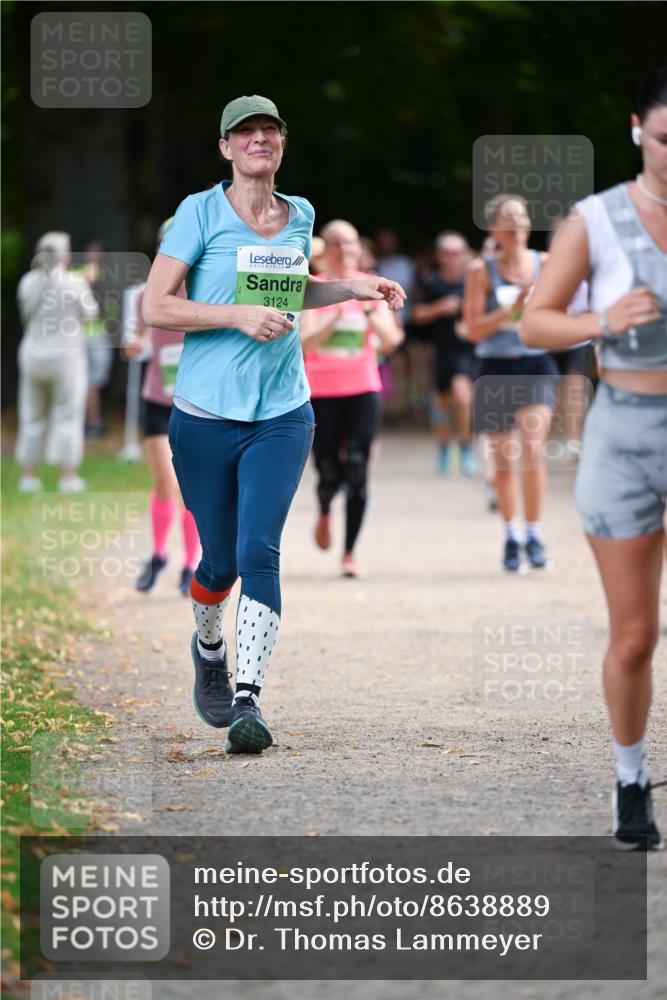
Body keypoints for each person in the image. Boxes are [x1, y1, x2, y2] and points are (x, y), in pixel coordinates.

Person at [142, 95, 405, 755]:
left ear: (281, 145)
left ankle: (248, 700)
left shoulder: (300, 214)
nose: (259, 140)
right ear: (226, 148)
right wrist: (235, 316)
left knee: (260, 551)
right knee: (221, 561)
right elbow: (155, 306)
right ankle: (209, 644)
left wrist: (348, 288)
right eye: (245, 132)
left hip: (282, 412)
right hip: (204, 416)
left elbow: (290, 287)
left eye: (270, 131)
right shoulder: (196, 215)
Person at [522, 66, 667, 850]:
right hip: (626, 433)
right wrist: (601, 319)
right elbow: (535, 325)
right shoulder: (596, 220)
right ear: (636, 129)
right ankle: (630, 777)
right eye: (665, 137)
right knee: (635, 634)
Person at [299, 219, 404, 578]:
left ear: (360, 248)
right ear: (325, 250)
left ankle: (349, 553)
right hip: (321, 392)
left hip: (362, 388)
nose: (345, 250)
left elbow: (392, 341)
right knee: (328, 470)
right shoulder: (315, 289)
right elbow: (303, 343)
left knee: (358, 469)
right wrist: (337, 317)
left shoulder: (371, 287)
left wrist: (372, 313)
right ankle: (326, 508)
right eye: (337, 243)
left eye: (351, 243)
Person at [463, 194, 559, 572]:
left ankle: (534, 534)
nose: (517, 225)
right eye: (508, 219)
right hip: (494, 366)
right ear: (494, 229)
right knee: (503, 461)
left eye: (521, 217)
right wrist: (510, 310)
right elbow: (472, 329)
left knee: (533, 450)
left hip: (537, 363)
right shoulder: (479, 270)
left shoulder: (546, 263)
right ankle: (511, 534)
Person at [123, 219, 200, 597]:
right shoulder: (146, 294)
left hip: (196, 403)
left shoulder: (204, 289)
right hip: (157, 398)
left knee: (190, 488)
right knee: (164, 483)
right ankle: (157, 556)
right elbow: (136, 338)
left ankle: (190, 564)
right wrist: (134, 345)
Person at [15, 231, 98, 493]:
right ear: (64, 254)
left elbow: (25, 315)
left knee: (31, 413)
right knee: (68, 414)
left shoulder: (28, 281)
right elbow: (91, 315)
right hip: (67, 358)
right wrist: (86, 281)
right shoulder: (75, 283)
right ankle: (67, 475)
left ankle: (29, 475)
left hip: (32, 355)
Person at [411, 231, 478, 475]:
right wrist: (440, 308)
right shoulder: (431, 283)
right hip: (439, 350)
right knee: (440, 403)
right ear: (439, 256)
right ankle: (443, 448)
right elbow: (416, 314)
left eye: (457, 253)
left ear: (465, 254)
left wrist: (470, 324)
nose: (452, 258)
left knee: (462, 396)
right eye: (447, 253)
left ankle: (466, 446)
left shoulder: (473, 282)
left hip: (467, 351)